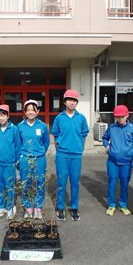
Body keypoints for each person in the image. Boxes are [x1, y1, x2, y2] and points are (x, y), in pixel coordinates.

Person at [52, 90, 89, 221]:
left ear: (76, 102)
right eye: (69, 100)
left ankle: (74, 207)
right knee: (61, 182)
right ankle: (60, 207)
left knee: (75, 182)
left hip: (76, 155)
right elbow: (55, 133)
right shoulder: (59, 118)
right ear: (64, 102)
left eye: (74, 100)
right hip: (62, 154)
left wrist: (79, 146)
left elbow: (84, 133)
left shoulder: (81, 118)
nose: (72, 102)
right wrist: (60, 144)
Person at [103, 105, 133, 216]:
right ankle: (111, 204)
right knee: (112, 183)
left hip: (126, 163)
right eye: (117, 117)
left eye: (122, 116)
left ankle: (123, 204)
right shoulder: (112, 127)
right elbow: (105, 138)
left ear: (127, 115)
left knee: (124, 184)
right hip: (112, 161)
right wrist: (107, 145)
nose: (120, 119)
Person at [17, 100, 50, 220]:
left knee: (40, 183)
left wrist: (40, 152)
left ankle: (38, 208)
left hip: (40, 158)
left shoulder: (42, 126)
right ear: (25, 112)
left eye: (33, 109)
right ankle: (28, 207)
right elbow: (18, 143)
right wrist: (20, 158)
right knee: (26, 183)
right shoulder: (20, 126)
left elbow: (46, 143)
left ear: (37, 111)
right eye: (28, 110)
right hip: (25, 158)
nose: (30, 112)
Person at [0, 104, 20, 220]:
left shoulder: (14, 129)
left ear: (8, 116)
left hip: (10, 163)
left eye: (3, 115)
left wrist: (16, 161)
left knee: (10, 186)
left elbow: (18, 146)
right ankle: (0, 207)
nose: (1, 118)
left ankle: (10, 206)